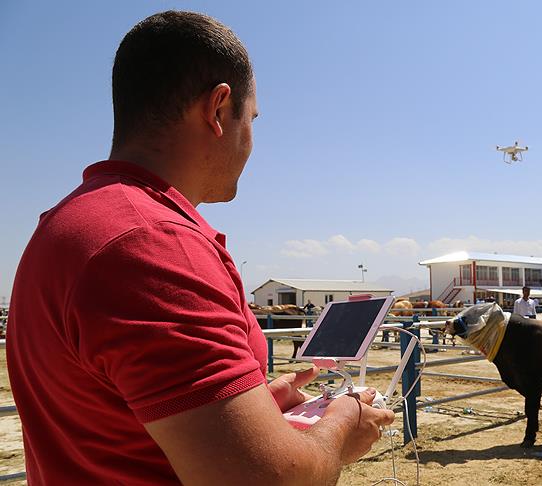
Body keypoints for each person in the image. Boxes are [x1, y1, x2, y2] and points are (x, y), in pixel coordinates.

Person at [7, 11, 393, 485]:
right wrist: (342, 426)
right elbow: (268, 480)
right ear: (217, 109)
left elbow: (117, 423)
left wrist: (247, 411)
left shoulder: (71, 224)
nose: (252, 139)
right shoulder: (152, 245)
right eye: (250, 119)